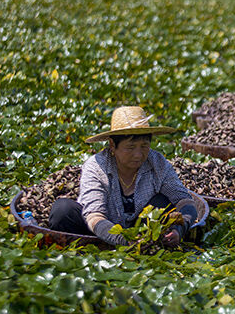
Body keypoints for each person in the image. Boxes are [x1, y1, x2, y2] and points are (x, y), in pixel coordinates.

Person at [49, 106, 198, 248]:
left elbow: (185, 201)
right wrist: (124, 240)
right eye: (130, 147)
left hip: (145, 230)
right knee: (63, 211)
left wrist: (179, 229)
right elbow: (94, 217)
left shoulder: (157, 163)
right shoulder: (97, 166)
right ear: (113, 145)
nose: (138, 155)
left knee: (164, 202)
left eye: (144, 146)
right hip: (100, 229)